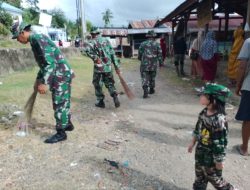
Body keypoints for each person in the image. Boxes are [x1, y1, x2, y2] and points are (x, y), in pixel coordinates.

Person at [11, 22, 75, 144]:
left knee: (59, 102)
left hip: (59, 74)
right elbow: (43, 64)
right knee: (64, 100)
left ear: (23, 32)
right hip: (62, 73)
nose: (18, 41)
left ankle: (61, 132)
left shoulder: (37, 39)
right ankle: (67, 124)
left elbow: (49, 63)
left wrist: (44, 83)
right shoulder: (35, 40)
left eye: (17, 37)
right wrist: (38, 79)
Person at [188, 83, 237, 190]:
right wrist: (193, 142)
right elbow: (198, 128)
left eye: (203, 94)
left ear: (213, 99)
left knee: (216, 180)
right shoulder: (204, 112)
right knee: (199, 177)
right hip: (201, 152)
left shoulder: (219, 120)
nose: (200, 96)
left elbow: (220, 143)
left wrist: (219, 161)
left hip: (211, 157)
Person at [84, 27, 120, 108]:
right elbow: (112, 53)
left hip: (99, 68)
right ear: (99, 33)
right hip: (108, 67)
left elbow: (86, 50)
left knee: (97, 84)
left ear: (92, 34)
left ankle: (100, 101)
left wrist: (96, 58)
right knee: (110, 83)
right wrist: (116, 65)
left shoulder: (91, 42)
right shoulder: (106, 41)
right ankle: (114, 95)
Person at [235, 37, 250, 156]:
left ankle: (244, 148)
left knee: (248, 119)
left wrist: (238, 84)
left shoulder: (248, 42)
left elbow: (242, 66)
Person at [138, 30, 163, 98]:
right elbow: (160, 54)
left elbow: (140, 54)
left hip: (144, 64)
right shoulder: (157, 44)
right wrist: (161, 63)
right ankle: (151, 89)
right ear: (154, 36)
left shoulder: (143, 44)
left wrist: (141, 59)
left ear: (148, 36)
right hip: (153, 64)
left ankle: (145, 90)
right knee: (152, 77)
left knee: (144, 77)